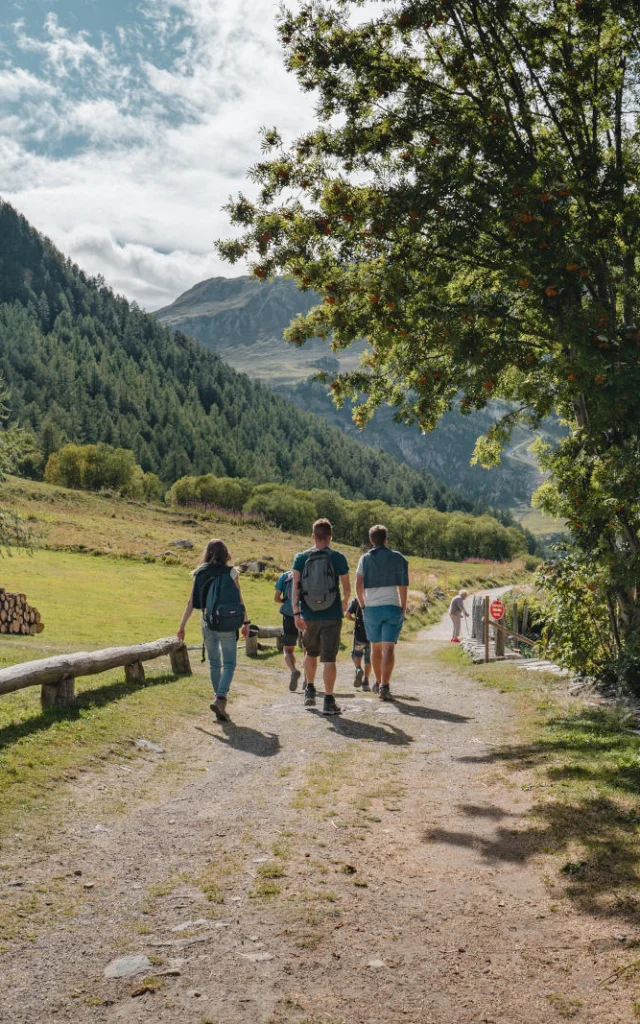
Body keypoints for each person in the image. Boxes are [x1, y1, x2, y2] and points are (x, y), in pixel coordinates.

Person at [177, 538, 250, 721]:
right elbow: (239, 599)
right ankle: (220, 699)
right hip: (227, 622)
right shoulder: (231, 572)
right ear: (226, 553)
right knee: (230, 663)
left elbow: (191, 602)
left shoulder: (200, 573)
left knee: (214, 663)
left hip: (206, 621)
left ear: (207, 553)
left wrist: (182, 627)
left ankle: (219, 700)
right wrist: (246, 623)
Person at [292, 518, 351, 716]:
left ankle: (309, 690)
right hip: (332, 614)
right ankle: (329, 700)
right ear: (330, 537)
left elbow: (295, 588)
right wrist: (343, 604)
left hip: (308, 613)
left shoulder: (301, 558)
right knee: (329, 659)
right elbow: (346, 589)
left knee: (310, 653)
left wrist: (296, 613)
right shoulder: (338, 558)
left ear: (313, 537)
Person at [355, 524, 409, 701]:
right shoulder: (398, 558)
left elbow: (358, 585)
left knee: (376, 648)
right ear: (386, 539)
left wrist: (363, 605)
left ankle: (378, 683)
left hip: (371, 608)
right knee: (389, 648)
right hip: (392, 606)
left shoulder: (365, 559)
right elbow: (403, 586)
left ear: (371, 540)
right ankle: (385, 686)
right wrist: (403, 607)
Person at [274, 568, 302, 691]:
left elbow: (276, 598)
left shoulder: (285, 576)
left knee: (288, 649)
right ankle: (308, 680)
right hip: (306, 616)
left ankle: (293, 670)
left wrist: (283, 601)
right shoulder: (309, 575)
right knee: (308, 650)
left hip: (289, 615)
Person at [346, 596, 371, 691]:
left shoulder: (356, 600)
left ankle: (358, 668)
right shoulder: (374, 598)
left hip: (359, 635)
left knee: (356, 653)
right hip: (372, 635)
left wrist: (354, 620)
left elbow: (347, 615)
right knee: (369, 659)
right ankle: (366, 681)